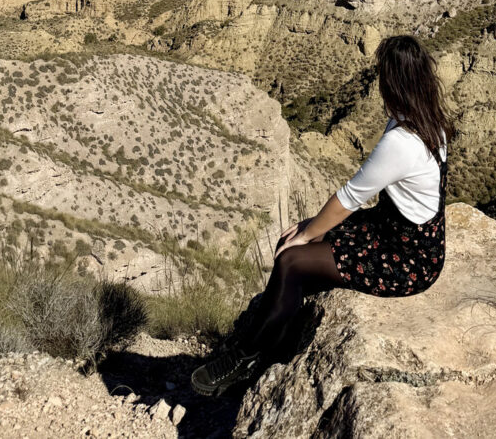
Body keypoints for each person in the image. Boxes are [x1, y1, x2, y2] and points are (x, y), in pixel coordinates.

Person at [190, 34, 457, 396]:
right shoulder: (427, 119)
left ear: (392, 83)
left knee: (291, 260)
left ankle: (247, 358)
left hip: (407, 258)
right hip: (404, 233)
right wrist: (310, 228)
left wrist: (304, 234)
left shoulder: (401, 141)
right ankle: (279, 329)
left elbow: (349, 196)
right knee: (308, 240)